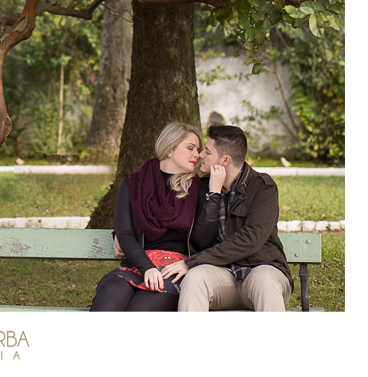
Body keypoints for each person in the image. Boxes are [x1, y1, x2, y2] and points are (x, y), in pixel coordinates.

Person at [90, 121, 221, 311]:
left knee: (139, 311)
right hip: (136, 265)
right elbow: (125, 234)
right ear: (169, 148)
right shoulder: (133, 185)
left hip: (174, 271)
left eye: (198, 149)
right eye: (190, 148)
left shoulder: (199, 189)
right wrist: (148, 267)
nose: (197, 155)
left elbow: (205, 238)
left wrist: (214, 194)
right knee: (108, 300)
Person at [160, 125, 293, 311]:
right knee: (195, 277)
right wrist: (123, 232)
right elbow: (162, 207)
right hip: (222, 275)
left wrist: (192, 261)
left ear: (225, 160)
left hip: (261, 268)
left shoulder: (263, 187)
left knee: (264, 279)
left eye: (207, 151)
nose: (200, 155)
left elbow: (251, 240)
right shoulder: (202, 187)